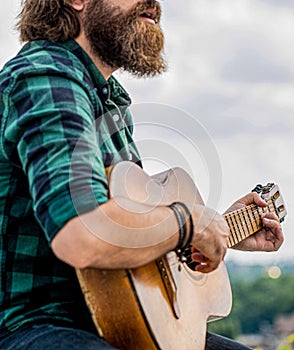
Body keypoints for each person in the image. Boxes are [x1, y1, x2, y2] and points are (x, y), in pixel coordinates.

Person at [0, 0, 284, 349]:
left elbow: (132, 247)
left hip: (115, 325)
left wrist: (216, 230)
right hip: (36, 327)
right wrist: (188, 222)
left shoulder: (111, 101)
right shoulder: (45, 77)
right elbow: (81, 232)